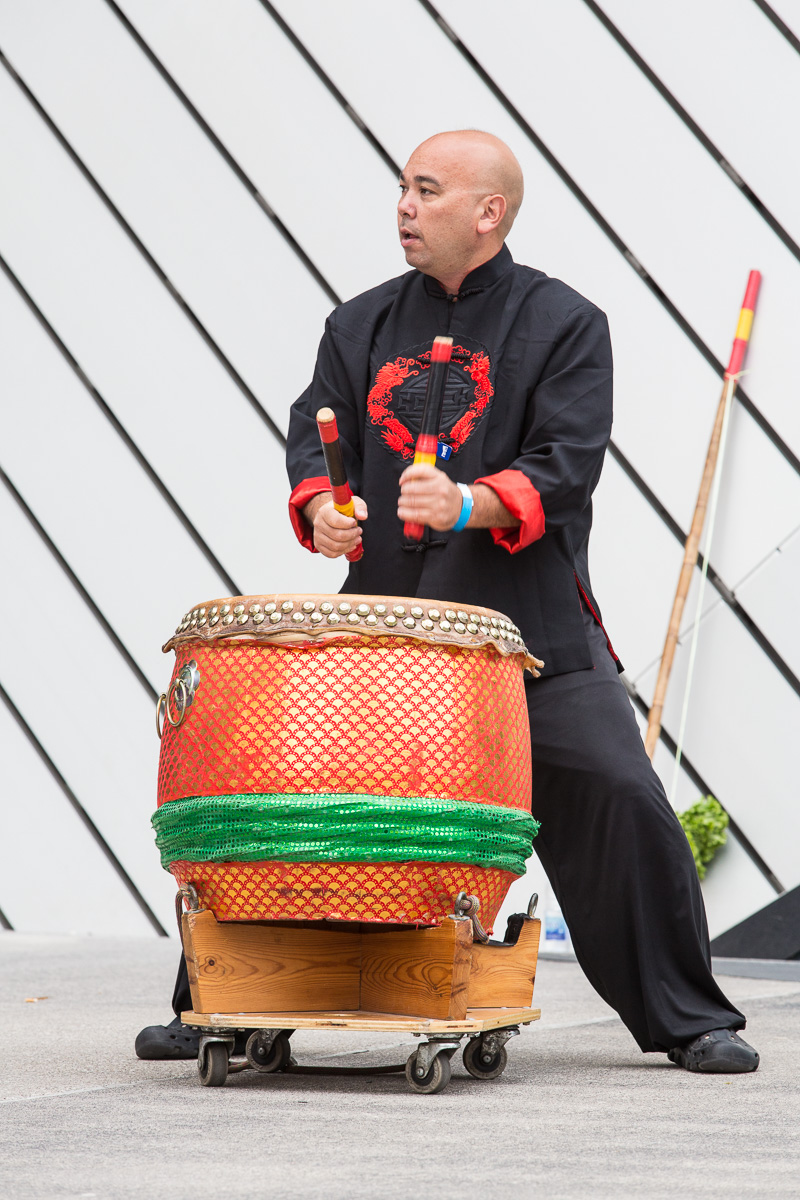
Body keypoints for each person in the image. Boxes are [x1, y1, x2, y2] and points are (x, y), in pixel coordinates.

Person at [137, 130, 757, 1073]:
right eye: (401, 188)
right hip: (381, 637)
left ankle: (687, 1017)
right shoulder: (359, 324)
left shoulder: (566, 324)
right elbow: (318, 431)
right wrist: (324, 507)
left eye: (425, 190)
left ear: (488, 212)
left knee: (622, 795)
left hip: (529, 633)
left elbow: (568, 467)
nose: (404, 207)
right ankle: (223, 993)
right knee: (283, 800)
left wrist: (469, 502)